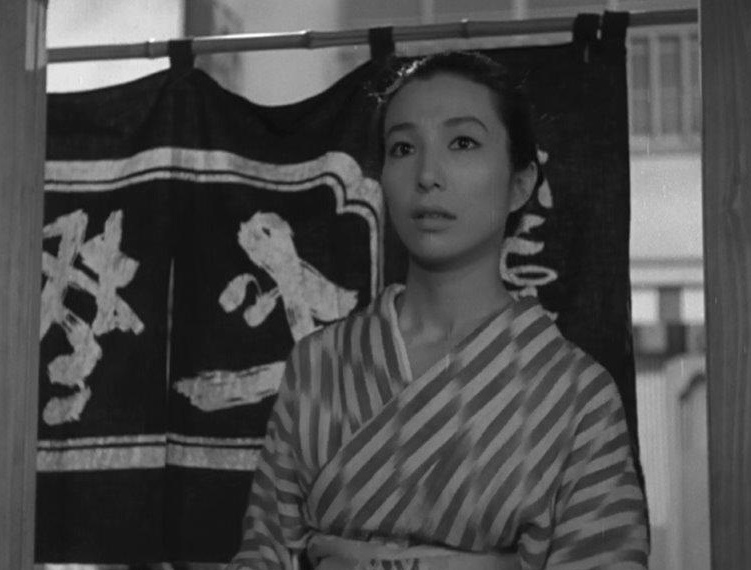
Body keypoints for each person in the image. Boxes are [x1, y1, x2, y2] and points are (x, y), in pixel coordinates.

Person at [229, 51, 649, 570]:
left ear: (520, 183)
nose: (427, 174)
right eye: (403, 148)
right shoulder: (318, 364)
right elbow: (264, 553)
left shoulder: (578, 395)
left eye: (463, 142)